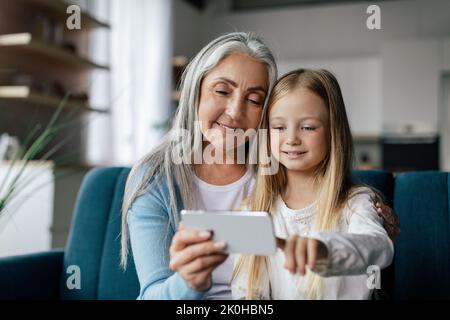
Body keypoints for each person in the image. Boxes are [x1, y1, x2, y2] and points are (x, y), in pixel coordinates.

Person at [120, 32, 398, 300]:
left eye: (254, 100)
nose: (235, 112)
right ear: (196, 90)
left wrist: (374, 228)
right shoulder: (156, 180)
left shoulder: (274, 178)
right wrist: (189, 283)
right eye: (221, 91)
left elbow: (336, 196)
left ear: (265, 112)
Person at [231, 69, 394, 300]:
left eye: (307, 127)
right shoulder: (254, 210)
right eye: (279, 127)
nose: (291, 139)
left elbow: (380, 247)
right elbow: (247, 293)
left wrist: (324, 249)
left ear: (333, 132)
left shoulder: (355, 203)